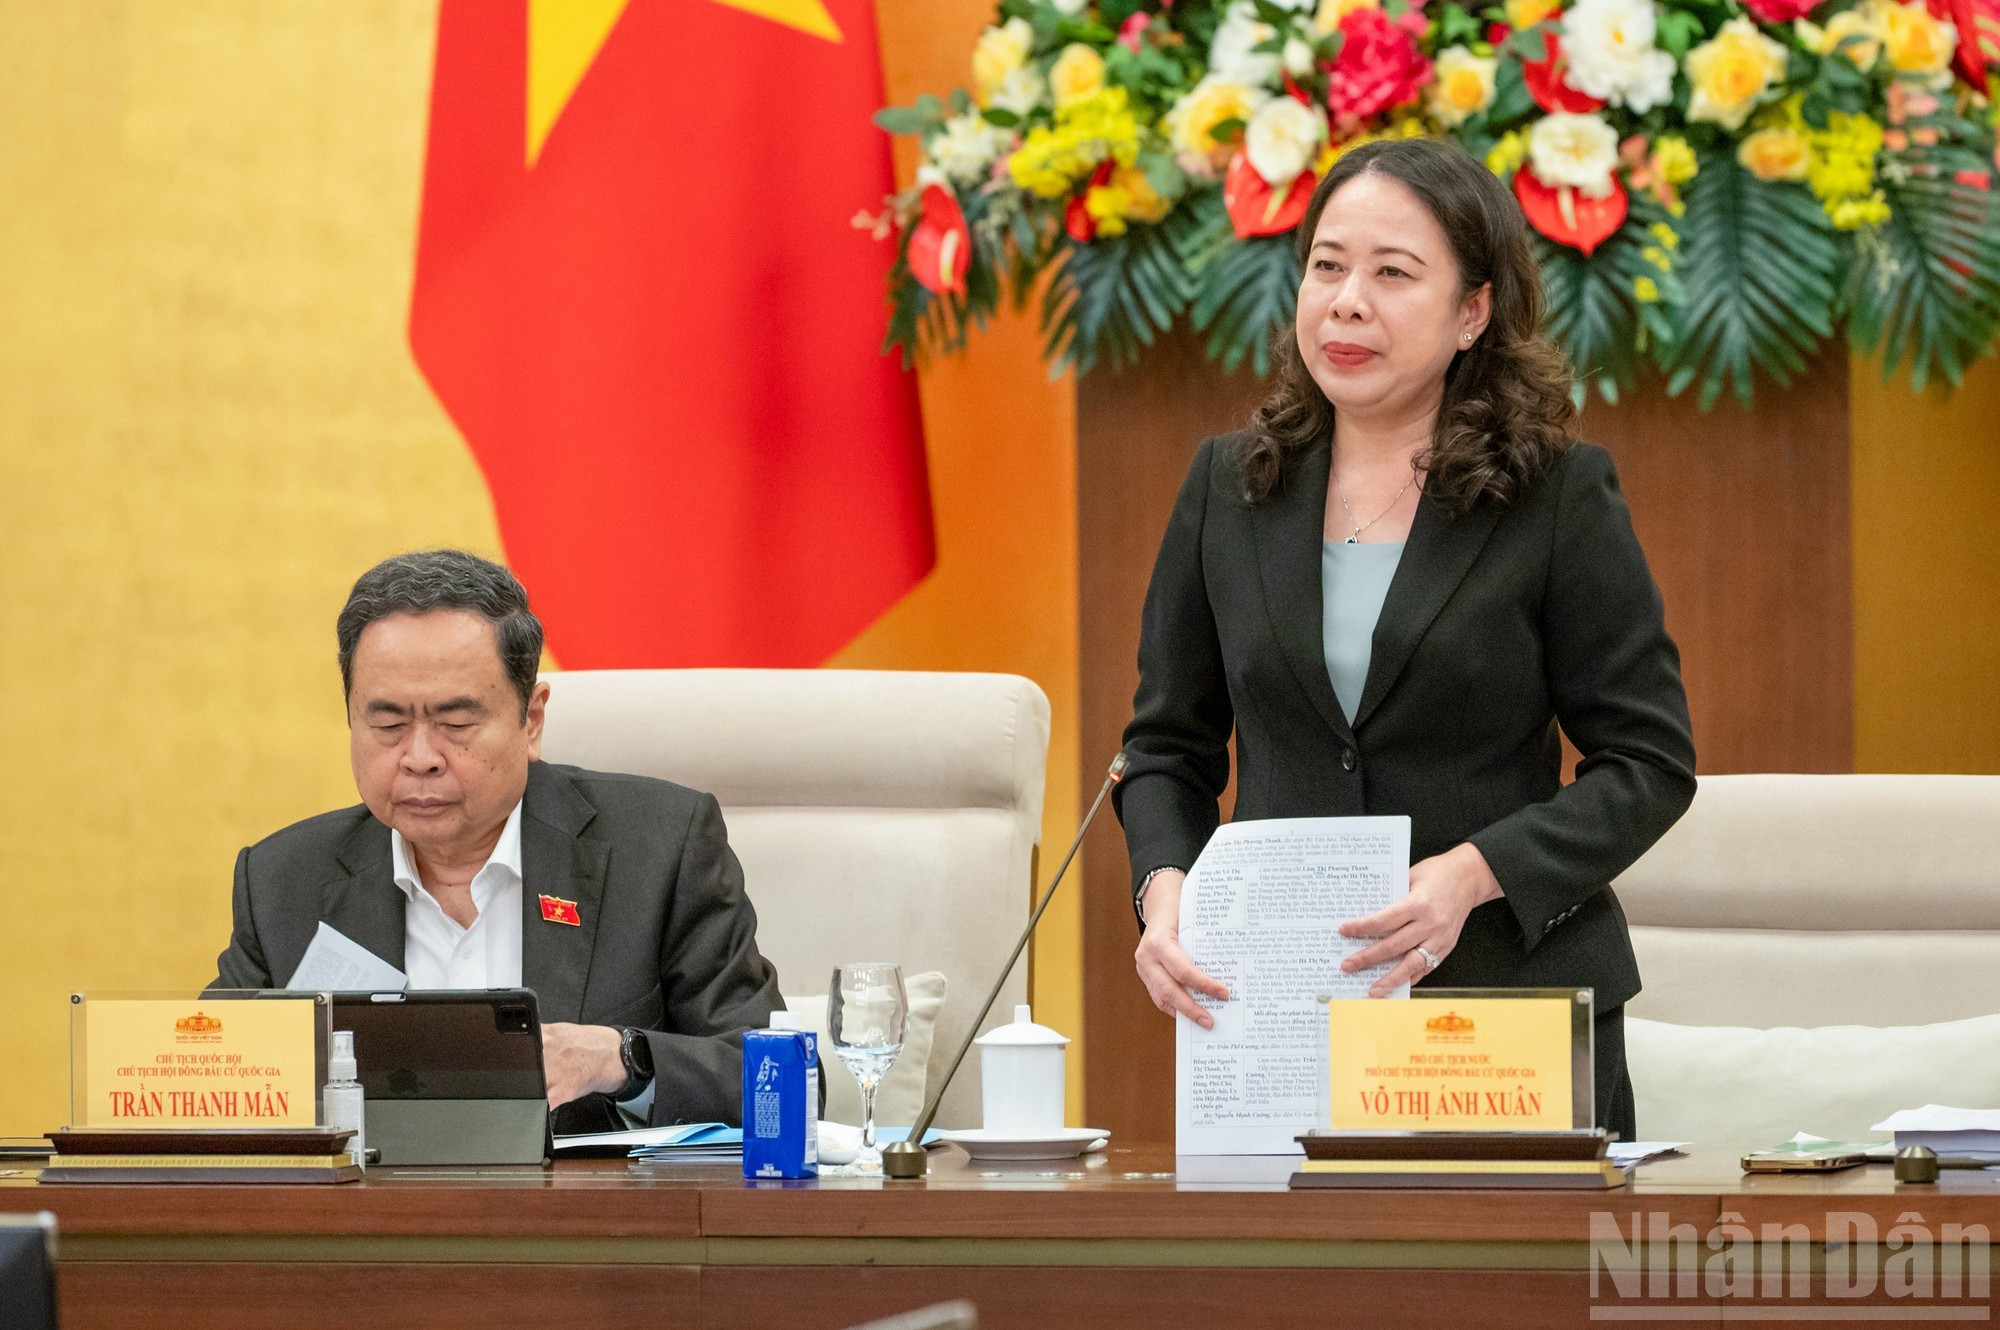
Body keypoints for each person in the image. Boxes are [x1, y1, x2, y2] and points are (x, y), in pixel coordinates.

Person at [1114, 139, 1696, 1139]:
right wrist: (1165, 894)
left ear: (1472, 312)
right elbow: (1166, 746)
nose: (1346, 303)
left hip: (1501, 1009)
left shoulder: (1555, 495)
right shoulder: (1228, 487)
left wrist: (1472, 873)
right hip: (1281, 1010)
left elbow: (1648, 763)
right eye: (1327, 266)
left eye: (1392, 274)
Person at [213, 549, 782, 1131]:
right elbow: (209, 1083)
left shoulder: (660, 849)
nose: (420, 757)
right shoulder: (284, 881)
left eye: (456, 724)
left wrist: (623, 1061)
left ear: (531, 720)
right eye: (387, 724)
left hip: (582, 1192)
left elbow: (779, 1084)